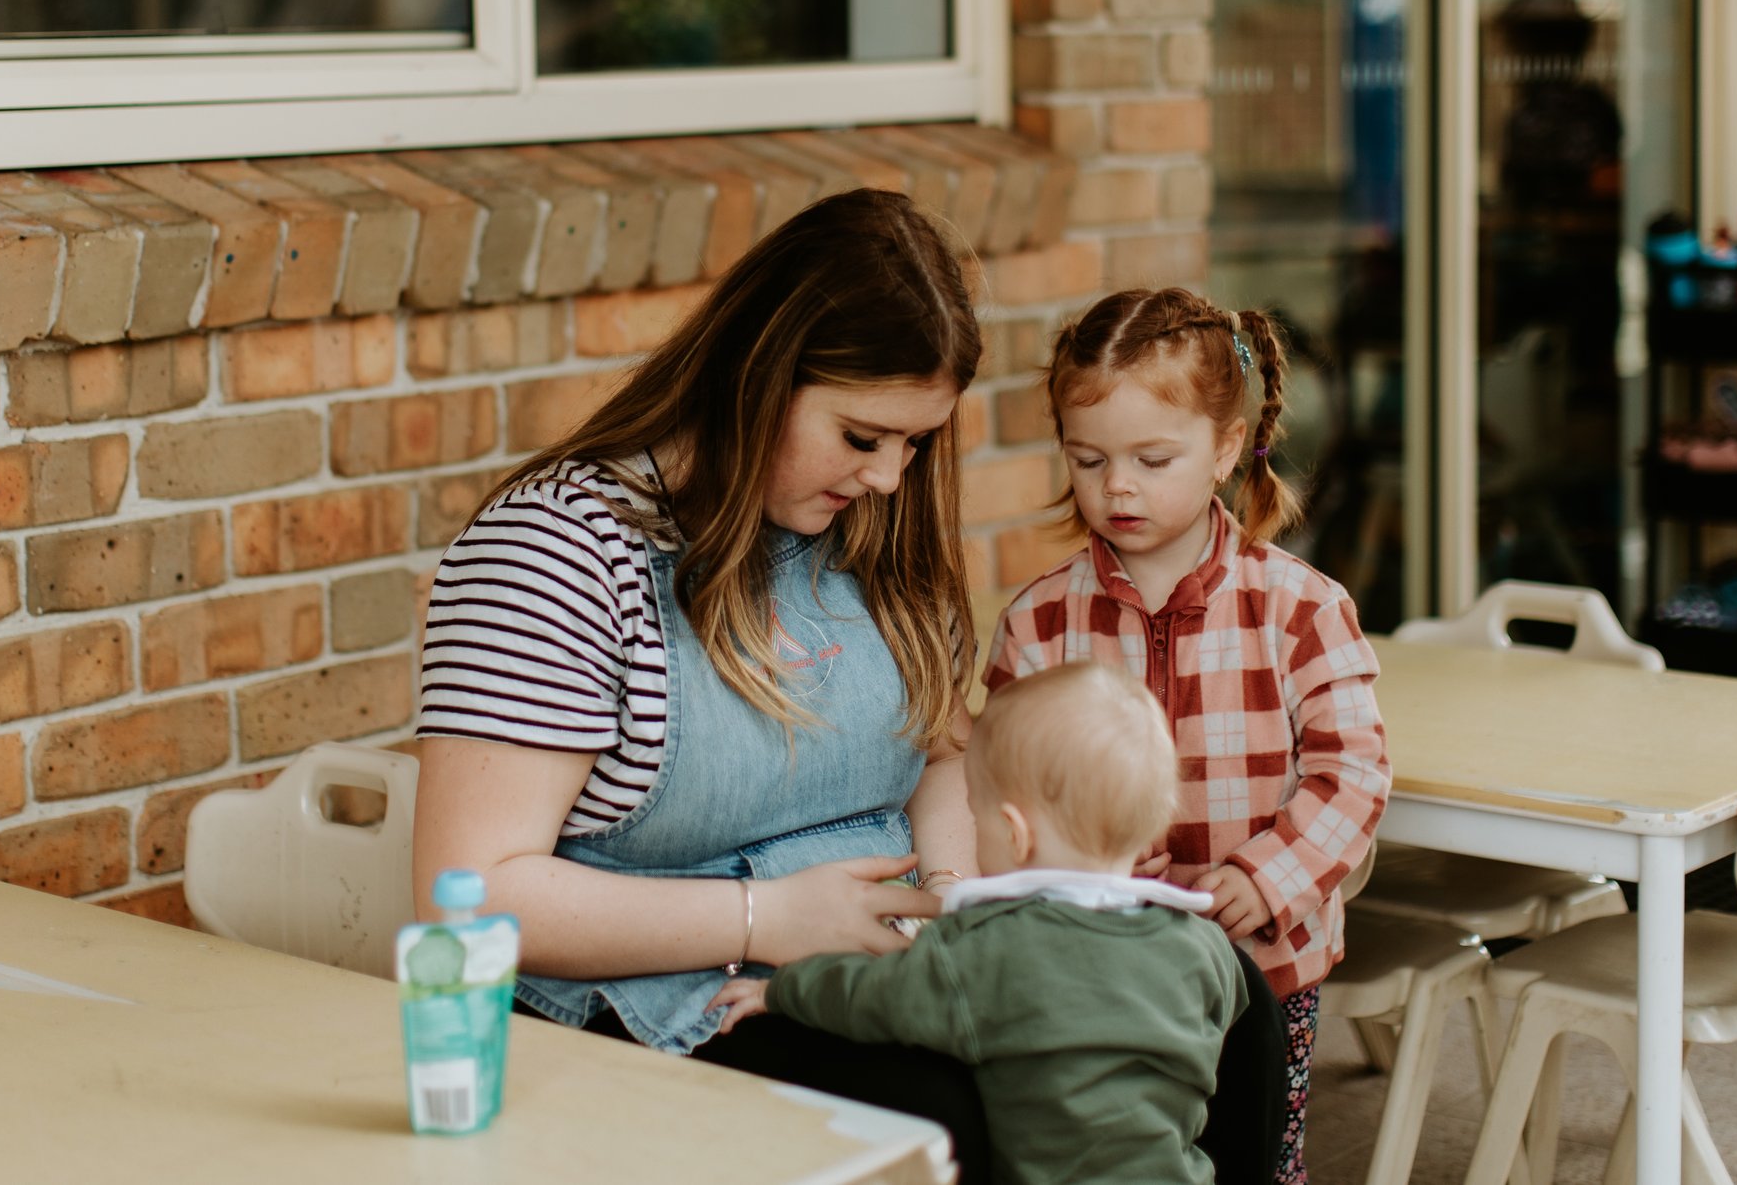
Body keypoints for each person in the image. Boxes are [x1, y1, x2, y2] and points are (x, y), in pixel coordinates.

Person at [409, 191, 1287, 1177]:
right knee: (947, 1109)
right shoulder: (554, 555)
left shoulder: (856, 530)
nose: (887, 475)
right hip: (670, 994)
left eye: (913, 443)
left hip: (905, 958)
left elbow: (939, 753)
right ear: (757, 374)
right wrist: (766, 919)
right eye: (863, 436)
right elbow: (470, 897)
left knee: (1235, 1014)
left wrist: (963, 903)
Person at [988, 288, 1389, 1185]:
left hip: (1264, 963)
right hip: (1099, 967)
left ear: (1225, 447)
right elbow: (1001, 787)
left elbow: (1353, 772)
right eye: (1087, 458)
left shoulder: (1299, 607)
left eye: (1151, 458)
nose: (1116, 485)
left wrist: (1265, 875)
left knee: (1252, 1156)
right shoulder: (1039, 621)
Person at [711, 661, 1250, 1185]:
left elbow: (871, 995)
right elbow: (1226, 1016)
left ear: (1014, 833)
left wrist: (782, 991)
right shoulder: (1203, 945)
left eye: (975, 810)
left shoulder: (989, 951)